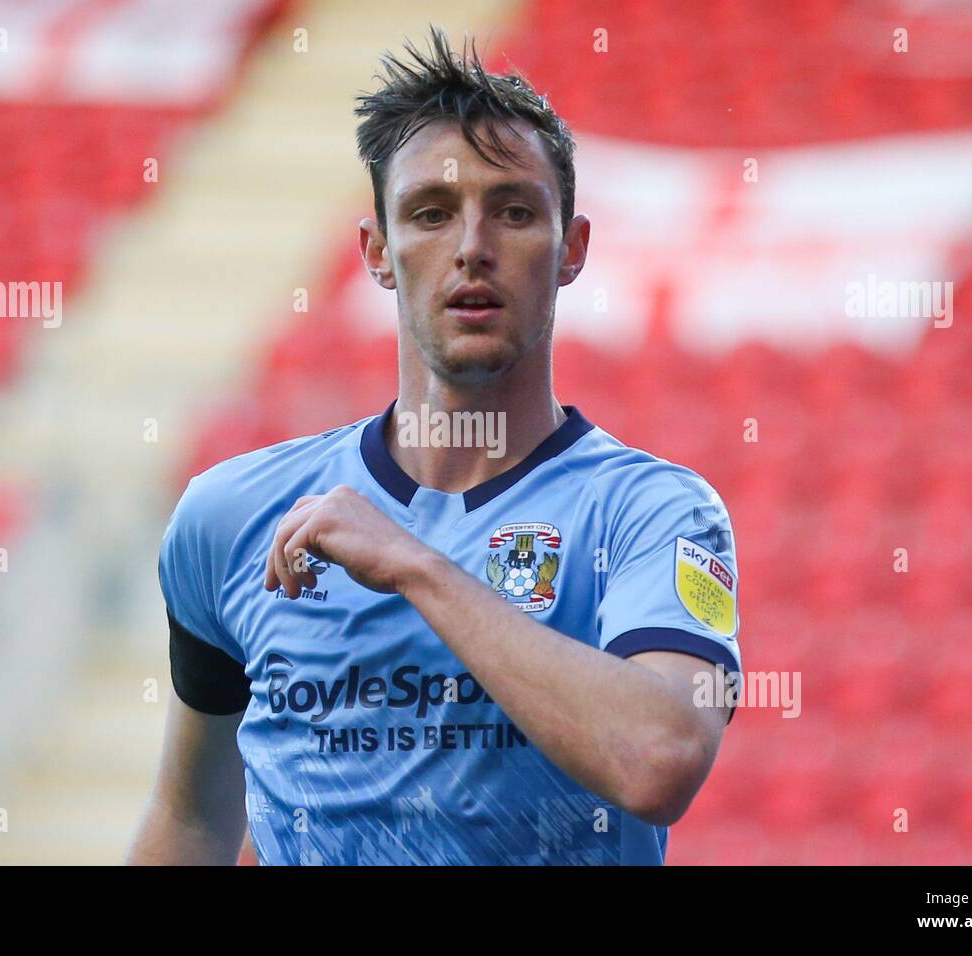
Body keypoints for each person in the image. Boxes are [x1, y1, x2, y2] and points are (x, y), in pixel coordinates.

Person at [128, 25, 741, 866]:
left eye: (515, 212)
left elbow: (658, 759)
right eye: (430, 214)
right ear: (377, 253)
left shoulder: (655, 514)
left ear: (573, 250)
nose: (472, 248)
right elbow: (193, 823)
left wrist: (415, 566)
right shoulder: (228, 517)